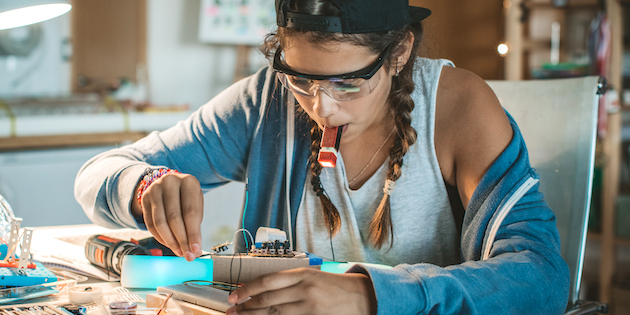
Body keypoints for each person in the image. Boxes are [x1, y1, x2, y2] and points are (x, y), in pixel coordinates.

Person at [75, 0, 570, 314]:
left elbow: (541, 276)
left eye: (348, 83)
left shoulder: (457, 106)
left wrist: (369, 296)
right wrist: (142, 187)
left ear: (398, 53)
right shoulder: (267, 100)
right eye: (301, 79)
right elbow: (97, 174)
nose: (320, 106)